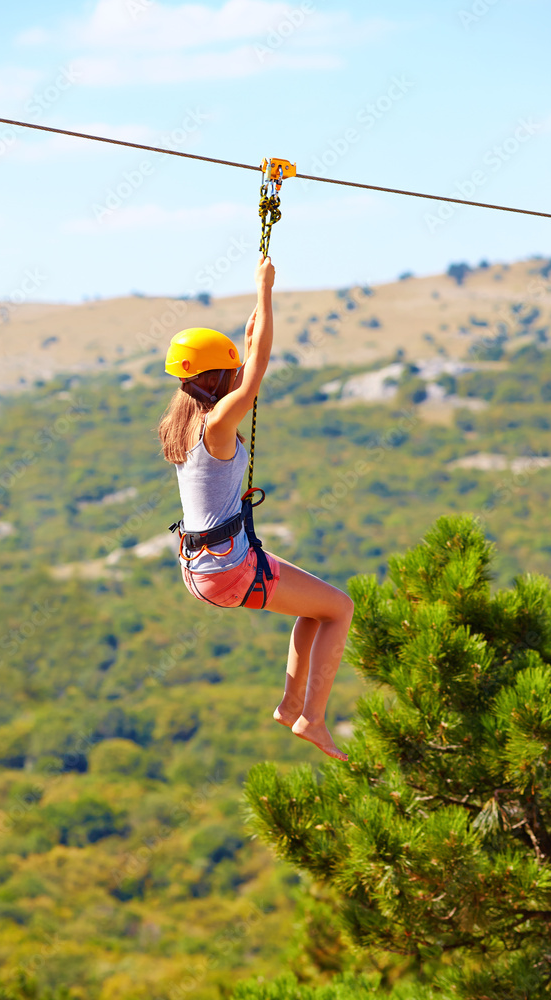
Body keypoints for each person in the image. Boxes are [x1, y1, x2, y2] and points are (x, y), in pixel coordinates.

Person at [158, 255, 354, 761]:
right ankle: (312, 718)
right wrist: (265, 291)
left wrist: (248, 339)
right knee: (340, 610)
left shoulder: (183, 423)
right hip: (227, 565)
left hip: (204, 564)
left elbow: (245, 370)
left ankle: (293, 707)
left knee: (318, 609)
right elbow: (255, 376)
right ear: (217, 378)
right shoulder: (218, 422)